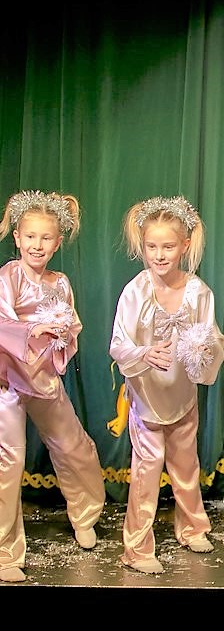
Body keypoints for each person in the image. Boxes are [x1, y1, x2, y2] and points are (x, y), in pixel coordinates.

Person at [110, 195, 224, 575]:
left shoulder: (198, 292)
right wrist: (144, 354)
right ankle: (137, 547)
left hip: (182, 396)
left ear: (185, 245)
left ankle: (192, 527)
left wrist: (205, 349)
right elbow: (118, 345)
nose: (159, 255)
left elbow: (212, 338)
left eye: (168, 247)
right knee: (146, 472)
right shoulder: (136, 292)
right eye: (152, 247)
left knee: (185, 464)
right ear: (142, 246)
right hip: (146, 398)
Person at [0, 190, 105, 583]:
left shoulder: (59, 282)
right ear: (17, 237)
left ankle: (85, 515)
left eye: (45, 238)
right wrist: (32, 330)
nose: (37, 245)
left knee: (73, 444)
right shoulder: (8, 277)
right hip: (7, 379)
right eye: (30, 236)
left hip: (42, 376)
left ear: (58, 242)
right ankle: (4, 551)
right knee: (9, 460)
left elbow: (70, 325)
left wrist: (61, 334)